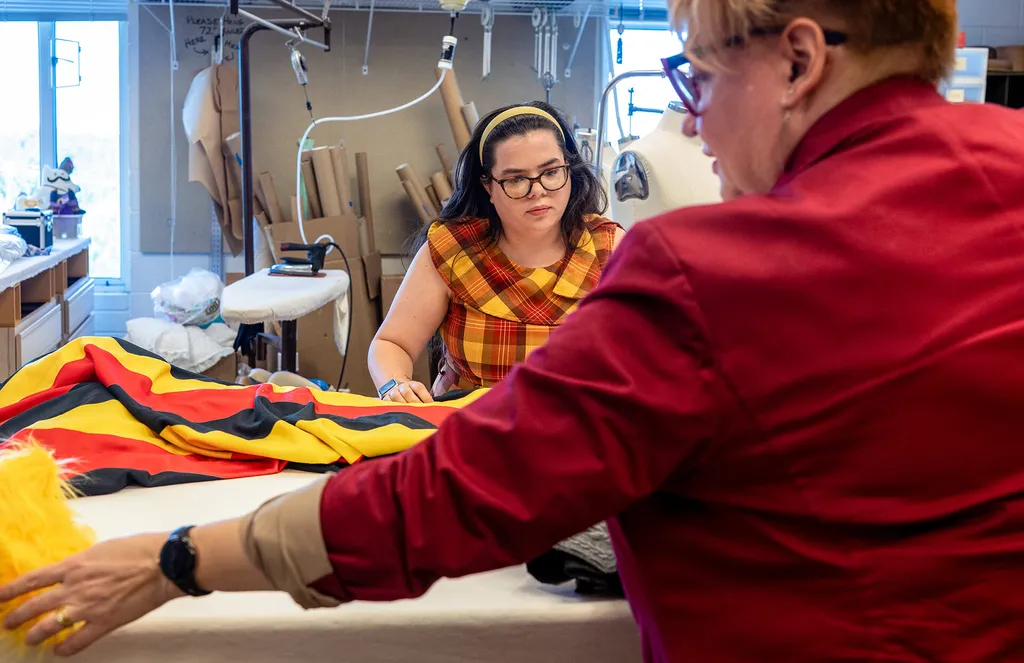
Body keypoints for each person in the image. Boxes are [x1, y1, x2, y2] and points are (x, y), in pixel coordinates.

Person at [6, 0, 1024, 660]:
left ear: (798, 58)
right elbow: (402, 362)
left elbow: (462, 495)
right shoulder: (1009, 171)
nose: (697, 125)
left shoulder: (686, 267)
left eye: (699, 83)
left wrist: (172, 560)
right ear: (485, 189)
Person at [368, 101, 624, 403]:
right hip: (467, 430)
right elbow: (391, 343)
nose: (537, 190)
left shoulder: (609, 248)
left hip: (575, 433)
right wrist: (394, 386)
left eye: (551, 172)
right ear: (488, 186)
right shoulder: (454, 249)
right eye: (516, 179)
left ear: (570, 169)